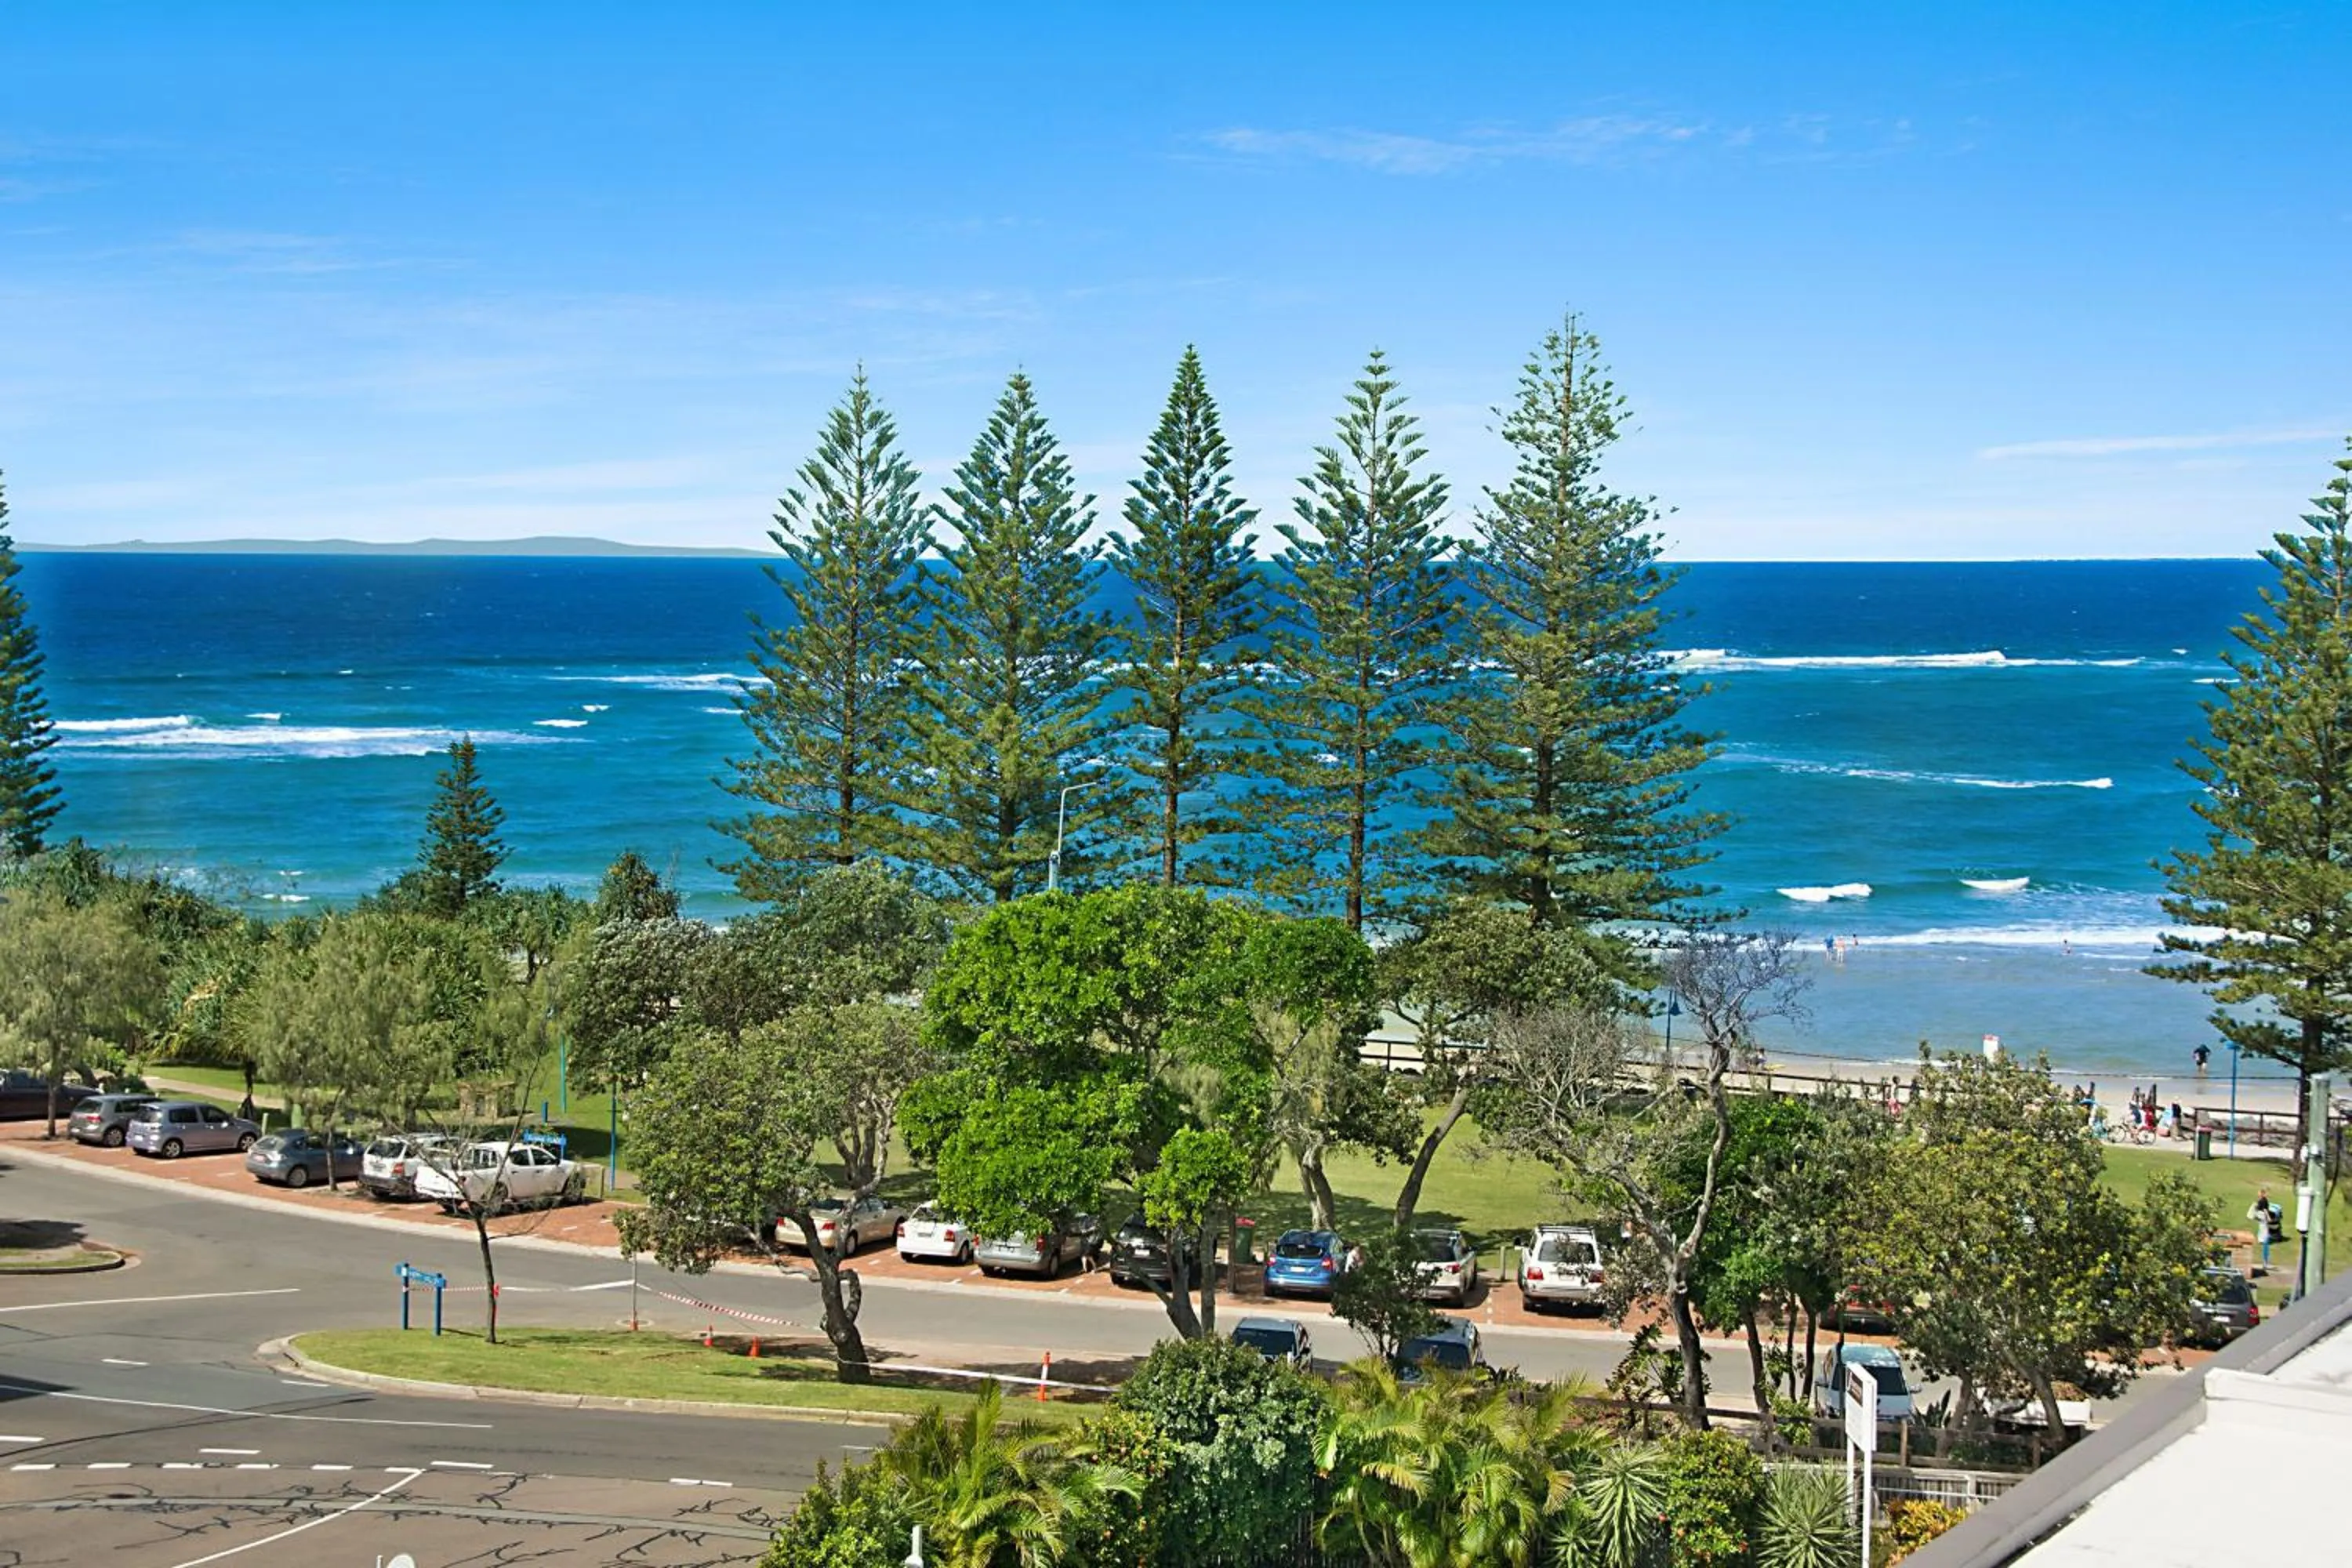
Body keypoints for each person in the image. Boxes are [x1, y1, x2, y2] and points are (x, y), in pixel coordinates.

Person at [2251, 1189, 2276, 1271]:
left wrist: (2266, 1217)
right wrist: (2268, 1217)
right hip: (2262, 1219)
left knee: (2263, 1232)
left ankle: (2262, 1240)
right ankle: (2265, 1262)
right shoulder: (2263, 1200)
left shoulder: (2262, 1201)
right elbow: (2264, 1210)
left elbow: (2262, 1210)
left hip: (2262, 1219)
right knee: (2264, 1233)